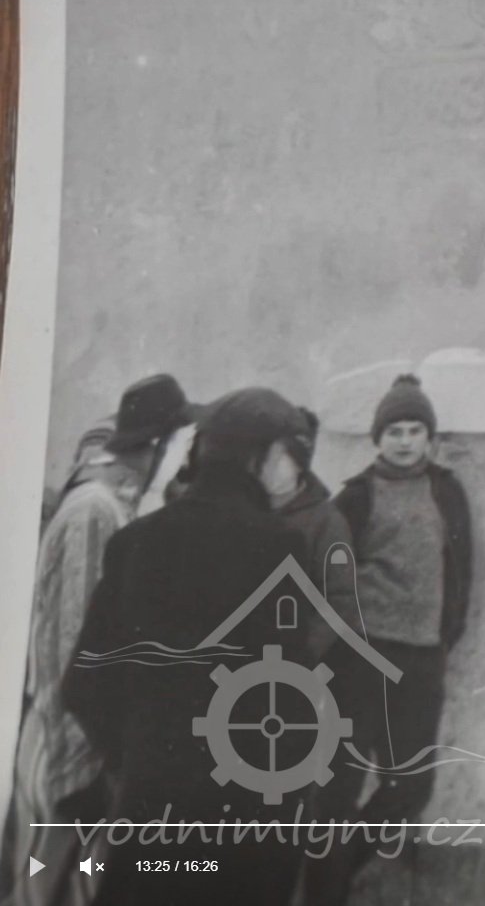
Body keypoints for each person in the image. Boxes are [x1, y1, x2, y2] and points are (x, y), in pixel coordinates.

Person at [63, 387, 313, 905]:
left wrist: (137, 756)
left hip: (148, 805)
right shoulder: (280, 549)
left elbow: (84, 685)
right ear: (261, 456)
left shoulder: (136, 541)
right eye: (289, 453)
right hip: (239, 820)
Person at [12, 375, 199, 906]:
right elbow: (76, 636)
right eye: (182, 443)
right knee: (40, 877)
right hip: (69, 737)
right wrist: (90, 746)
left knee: (84, 875)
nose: (186, 458)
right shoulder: (95, 510)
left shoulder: (116, 503)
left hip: (88, 736)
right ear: (157, 443)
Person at [304, 375, 474, 906]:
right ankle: (322, 894)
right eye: (394, 431)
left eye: (414, 430)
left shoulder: (446, 491)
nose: (404, 441)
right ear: (377, 438)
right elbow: (326, 575)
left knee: (410, 787)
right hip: (361, 659)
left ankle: (332, 872)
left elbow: (462, 566)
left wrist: (445, 633)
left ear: (429, 437)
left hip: (421, 659)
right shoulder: (356, 497)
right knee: (339, 787)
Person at [274, 407, 356, 662]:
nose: (271, 466)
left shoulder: (326, 521)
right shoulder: (243, 510)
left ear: (301, 462)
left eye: (282, 457)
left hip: (295, 663)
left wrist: (303, 652)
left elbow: (340, 598)